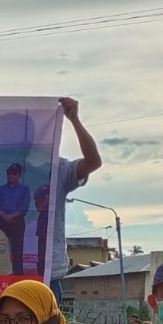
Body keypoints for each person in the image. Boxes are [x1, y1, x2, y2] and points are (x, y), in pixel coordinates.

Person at [47, 98, 103, 300]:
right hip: (3, 272)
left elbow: (93, 161)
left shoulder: (58, 168)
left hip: (48, 274)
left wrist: (74, 120)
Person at [0, 163, 32, 275]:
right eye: (9, 173)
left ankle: (18, 276)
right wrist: (4, 216)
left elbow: (24, 207)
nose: (11, 176)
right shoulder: (0, 189)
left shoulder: (24, 189)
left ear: (19, 175)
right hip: (2, 221)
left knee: (17, 251)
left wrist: (11, 216)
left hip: (17, 222)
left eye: (14, 173)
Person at [33, 185, 51, 277]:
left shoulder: (58, 190)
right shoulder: (43, 190)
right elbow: (39, 207)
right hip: (43, 228)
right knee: (42, 256)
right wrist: (47, 200)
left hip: (54, 231)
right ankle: (42, 275)